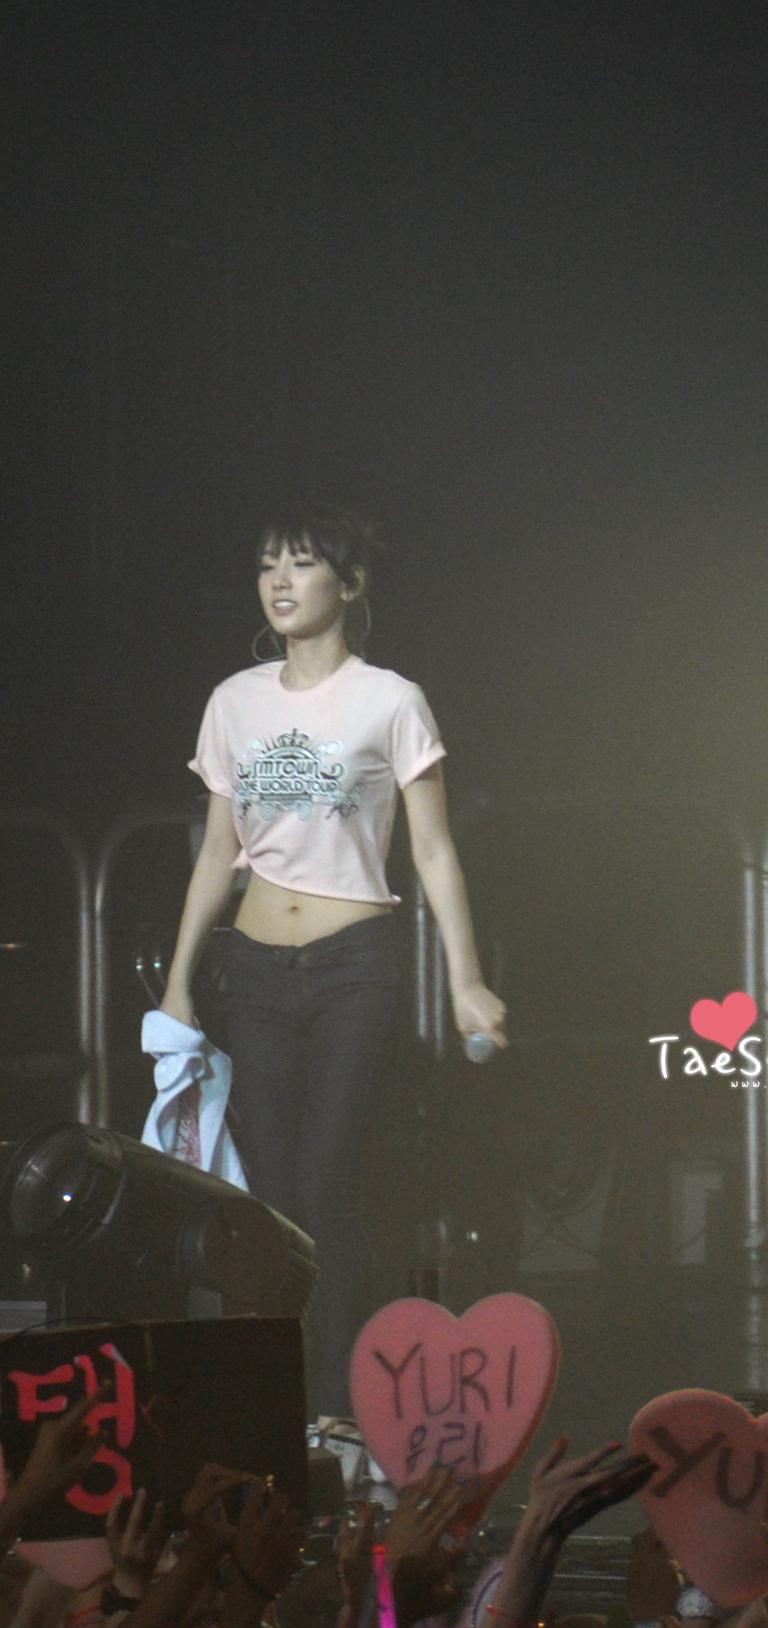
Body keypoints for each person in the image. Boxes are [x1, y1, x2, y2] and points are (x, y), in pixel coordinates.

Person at [160, 507, 506, 1414]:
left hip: (354, 963)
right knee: (273, 1193)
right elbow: (216, 853)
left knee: (325, 1181)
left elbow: (433, 849)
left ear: (349, 585)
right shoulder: (234, 700)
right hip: (256, 971)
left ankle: (346, 1408)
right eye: (267, 565)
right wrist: (179, 982)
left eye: (303, 564)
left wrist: (466, 979)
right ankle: (285, 1404)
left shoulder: (390, 699)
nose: (279, 581)